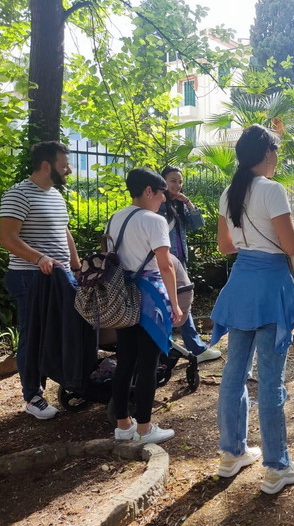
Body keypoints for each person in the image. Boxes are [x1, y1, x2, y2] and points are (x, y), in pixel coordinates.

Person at [211, 124, 294, 494]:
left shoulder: (229, 192)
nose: (278, 158)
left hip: (240, 284)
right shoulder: (272, 190)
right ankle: (276, 466)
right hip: (270, 287)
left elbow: (225, 246)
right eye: (276, 151)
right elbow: (291, 246)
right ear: (267, 153)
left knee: (234, 371)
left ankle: (231, 453)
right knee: (270, 379)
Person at [0, 141, 81, 419]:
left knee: (59, 332)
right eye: (64, 165)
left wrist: (76, 264)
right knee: (33, 337)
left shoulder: (55, 194)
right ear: (46, 166)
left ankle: (68, 380)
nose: (68, 170)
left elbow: (64, 231)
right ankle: (32, 396)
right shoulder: (18, 194)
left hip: (59, 278)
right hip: (30, 277)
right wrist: (39, 259)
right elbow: (7, 238)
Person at [110, 168, 182, 444]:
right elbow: (165, 265)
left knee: (125, 361)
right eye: (162, 193)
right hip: (150, 297)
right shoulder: (154, 220)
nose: (164, 199)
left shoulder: (116, 218)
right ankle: (144, 428)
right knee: (148, 365)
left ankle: (122, 425)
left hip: (123, 297)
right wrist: (175, 304)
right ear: (149, 191)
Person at [159, 166, 221, 363]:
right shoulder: (157, 204)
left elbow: (197, 225)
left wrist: (188, 203)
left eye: (179, 181)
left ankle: (189, 348)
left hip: (179, 261)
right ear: (163, 181)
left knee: (182, 304)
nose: (177, 185)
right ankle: (174, 348)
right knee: (164, 303)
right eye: (172, 180)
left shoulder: (179, 204)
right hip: (163, 261)